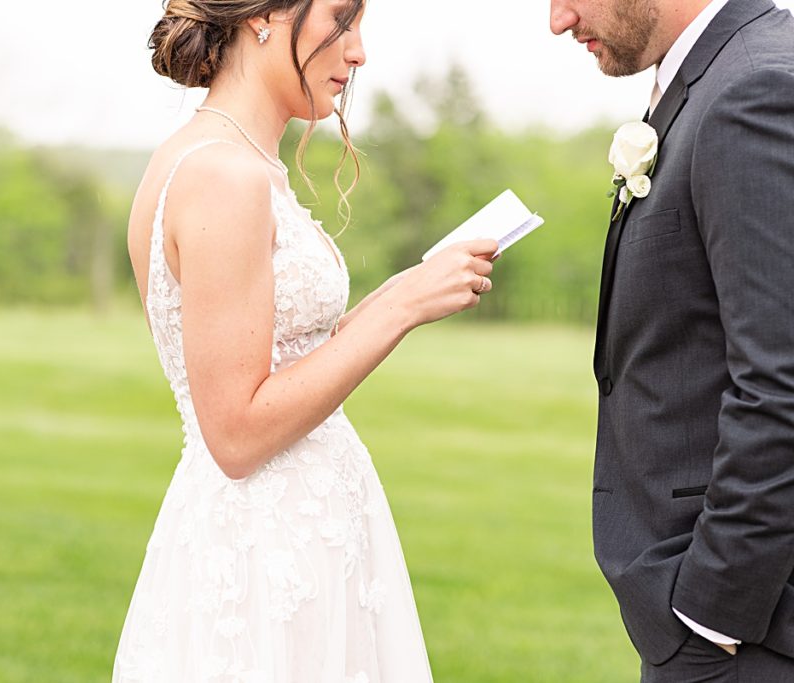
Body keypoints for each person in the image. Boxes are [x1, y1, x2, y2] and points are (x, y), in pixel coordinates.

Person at [113, 1, 497, 680]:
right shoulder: (223, 176)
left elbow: (279, 357)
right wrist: (402, 307)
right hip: (265, 549)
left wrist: (406, 290)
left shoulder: (227, 160)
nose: (359, 52)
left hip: (297, 530)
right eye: (341, 21)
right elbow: (235, 431)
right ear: (265, 16)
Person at [551, 0, 794, 679]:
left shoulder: (754, 89)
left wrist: (711, 612)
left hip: (749, 637)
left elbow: (782, 381)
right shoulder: (716, 77)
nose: (558, 19)